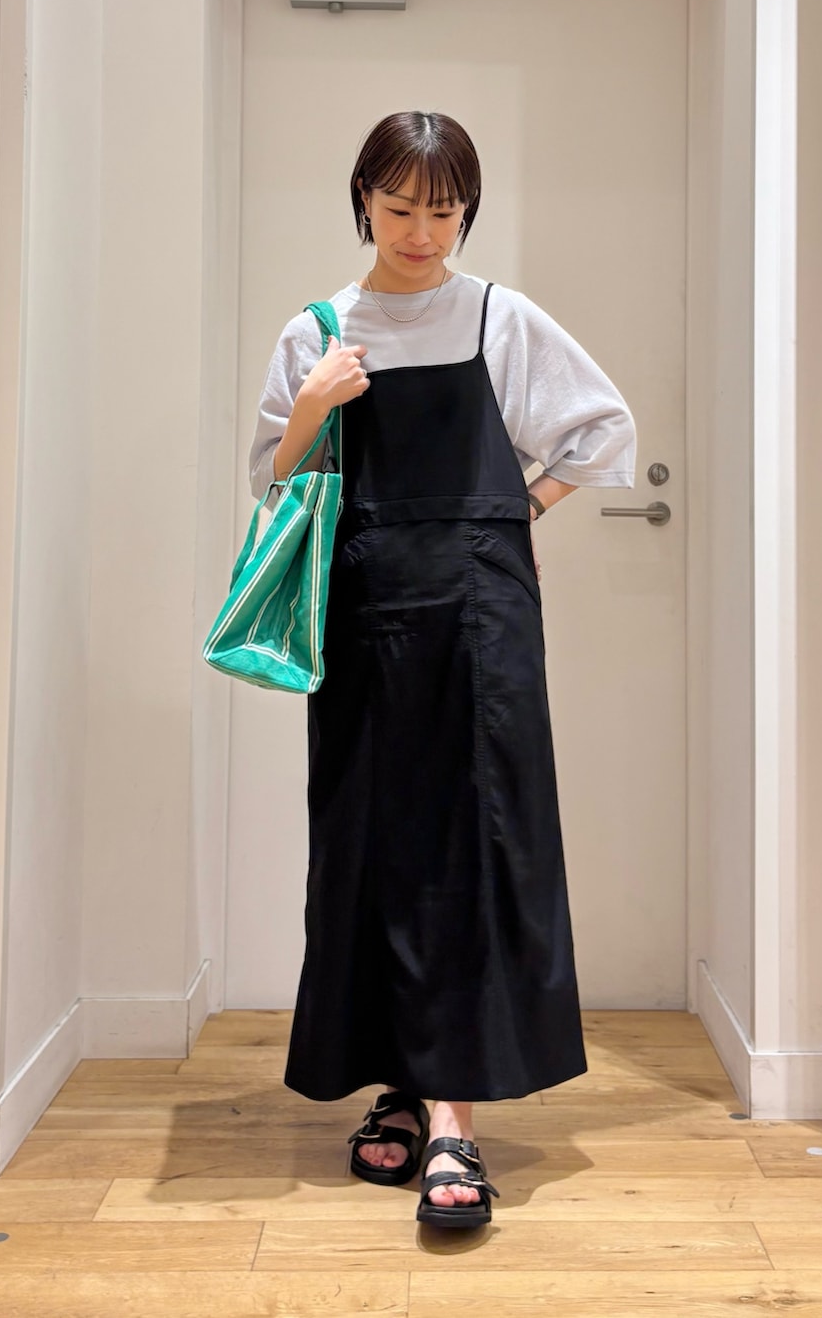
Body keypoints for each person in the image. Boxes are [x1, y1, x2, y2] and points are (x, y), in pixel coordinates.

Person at [248, 111, 636, 1229]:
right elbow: (273, 481)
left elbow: (601, 427)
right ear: (361, 200)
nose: (422, 233)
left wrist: (515, 512)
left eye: (445, 211)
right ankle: (396, 1083)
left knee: (475, 841)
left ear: (468, 211)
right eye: (400, 207)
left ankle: (455, 1116)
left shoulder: (497, 315)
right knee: (368, 842)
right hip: (362, 614)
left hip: (480, 619)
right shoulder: (319, 329)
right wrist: (313, 403)